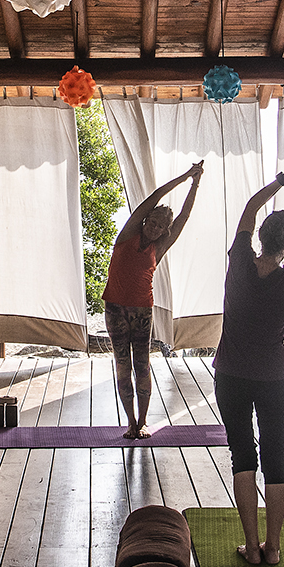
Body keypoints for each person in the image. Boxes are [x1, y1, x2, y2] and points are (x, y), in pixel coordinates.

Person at [214, 150, 284, 565]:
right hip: (275, 379)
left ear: (259, 236)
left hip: (231, 375)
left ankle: (252, 546)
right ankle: (273, 547)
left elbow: (249, 207)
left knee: (242, 456)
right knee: (275, 458)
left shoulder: (240, 262)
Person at [103, 161, 205, 437]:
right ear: (145, 220)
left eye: (161, 227)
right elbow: (156, 196)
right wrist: (185, 176)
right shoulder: (127, 234)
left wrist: (195, 185)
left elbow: (184, 216)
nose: (155, 228)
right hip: (115, 309)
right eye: (153, 222)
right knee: (122, 364)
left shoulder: (159, 247)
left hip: (142, 312)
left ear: (164, 232)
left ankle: (143, 421)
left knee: (142, 364)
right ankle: (130, 422)